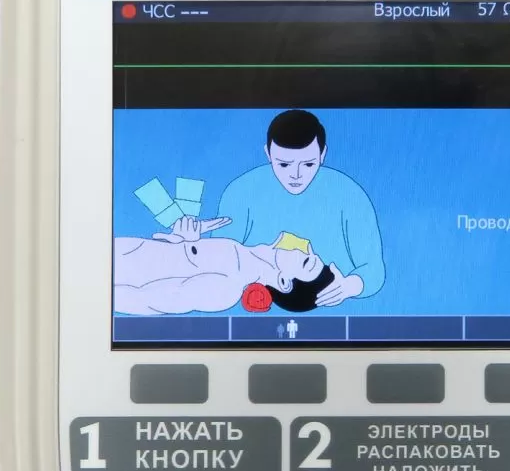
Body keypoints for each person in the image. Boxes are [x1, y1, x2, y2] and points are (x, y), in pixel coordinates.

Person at [213, 109, 385, 307]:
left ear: (323, 154)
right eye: (284, 165)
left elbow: (373, 269)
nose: (296, 175)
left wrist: (351, 286)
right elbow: (219, 263)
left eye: (308, 164)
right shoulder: (240, 192)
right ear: (268, 154)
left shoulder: (350, 194)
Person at [114, 216, 334, 316]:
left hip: (114, 273)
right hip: (121, 252)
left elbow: (150, 297)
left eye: (306, 261)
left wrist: (184, 242)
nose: (300, 251)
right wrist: (180, 238)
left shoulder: (227, 291)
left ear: (284, 282)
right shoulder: (240, 253)